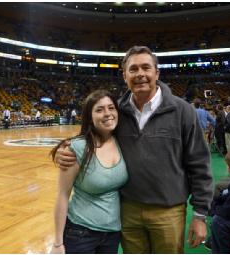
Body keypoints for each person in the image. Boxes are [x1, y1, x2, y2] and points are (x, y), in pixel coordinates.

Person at [55, 46, 213, 253]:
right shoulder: (118, 111)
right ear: (124, 75)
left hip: (168, 211)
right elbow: (95, 135)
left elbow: (199, 164)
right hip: (128, 210)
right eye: (133, 69)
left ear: (157, 72)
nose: (140, 74)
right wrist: (65, 149)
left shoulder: (183, 111)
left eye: (146, 68)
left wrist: (200, 215)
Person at [50, 90, 128, 254]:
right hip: (80, 233)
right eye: (99, 110)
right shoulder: (78, 148)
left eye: (111, 108)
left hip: (113, 233)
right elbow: (63, 194)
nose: (107, 114)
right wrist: (57, 243)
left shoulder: (122, 140)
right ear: (90, 118)